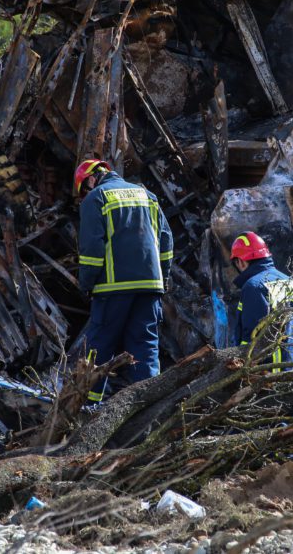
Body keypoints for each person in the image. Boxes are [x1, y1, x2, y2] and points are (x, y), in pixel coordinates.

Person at [74, 159, 173, 403]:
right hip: (151, 287)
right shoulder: (147, 195)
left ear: (90, 179)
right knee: (146, 347)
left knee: (98, 348)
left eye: (83, 190)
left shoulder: (96, 198)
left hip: (112, 288)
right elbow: (167, 242)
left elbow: (92, 251)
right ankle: (148, 406)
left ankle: (87, 407)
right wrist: (164, 277)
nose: (84, 195)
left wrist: (86, 284)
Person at [230, 232, 293, 366]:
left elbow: (251, 339)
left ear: (241, 261)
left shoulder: (254, 287)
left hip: (263, 376)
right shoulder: (292, 283)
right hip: (290, 372)